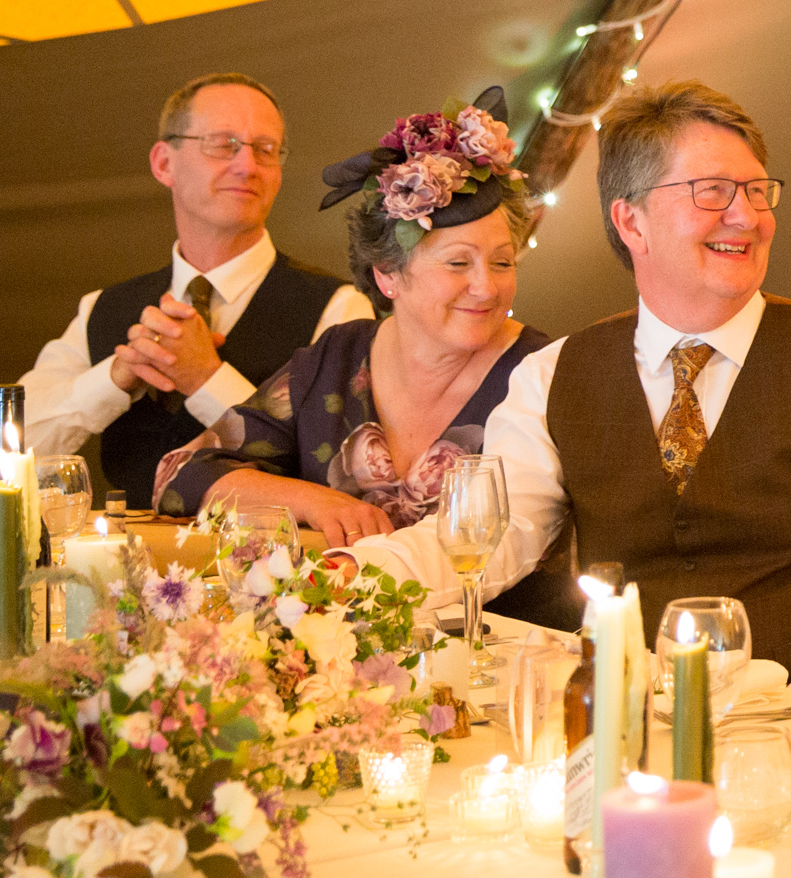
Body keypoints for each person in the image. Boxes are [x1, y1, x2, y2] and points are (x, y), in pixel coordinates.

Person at [352, 80, 791, 709]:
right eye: (712, 192)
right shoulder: (554, 375)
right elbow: (492, 537)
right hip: (629, 721)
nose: (747, 216)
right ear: (630, 220)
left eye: (756, 191)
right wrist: (357, 574)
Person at [0, 73, 371, 511]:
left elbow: (347, 481)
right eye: (222, 144)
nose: (247, 166)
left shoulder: (337, 307)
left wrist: (206, 381)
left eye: (265, 150)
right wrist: (111, 380)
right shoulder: (103, 309)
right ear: (163, 164)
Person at [154, 90, 550, 541]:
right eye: (458, 263)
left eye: (502, 263)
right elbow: (180, 476)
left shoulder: (542, 372)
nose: (486, 287)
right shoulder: (336, 358)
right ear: (388, 276)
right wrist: (313, 501)